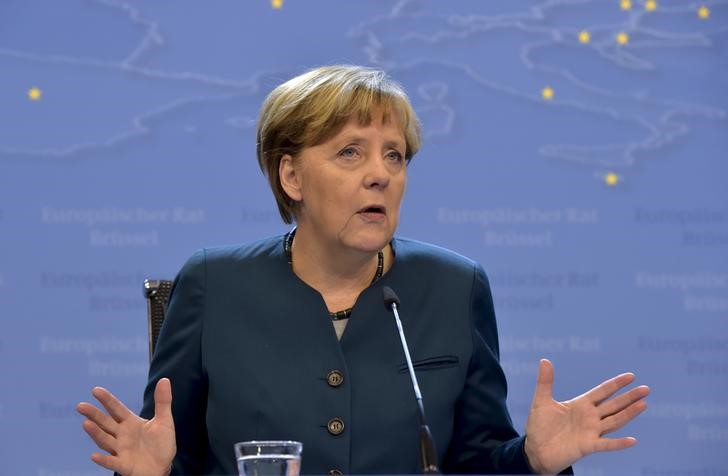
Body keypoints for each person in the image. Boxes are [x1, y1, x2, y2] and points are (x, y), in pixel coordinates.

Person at [77, 65, 649, 476]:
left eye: (394, 155)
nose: (380, 174)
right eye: (350, 152)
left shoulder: (455, 287)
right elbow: (177, 457)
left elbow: (475, 463)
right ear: (292, 178)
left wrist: (532, 461)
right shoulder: (212, 285)